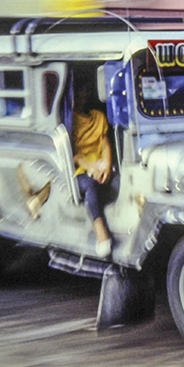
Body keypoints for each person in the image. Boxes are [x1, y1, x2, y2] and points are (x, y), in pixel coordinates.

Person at [71, 78, 118, 259]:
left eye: (85, 90)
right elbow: (73, 155)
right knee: (90, 186)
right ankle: (100, 232)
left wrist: (106, 165)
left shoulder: (98, 116)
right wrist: (92, 169)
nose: (83, 95)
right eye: (78, 91)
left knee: (119, 182)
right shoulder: (70, 120)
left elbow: (105, 143)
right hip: (81, 171)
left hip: (100, 167)